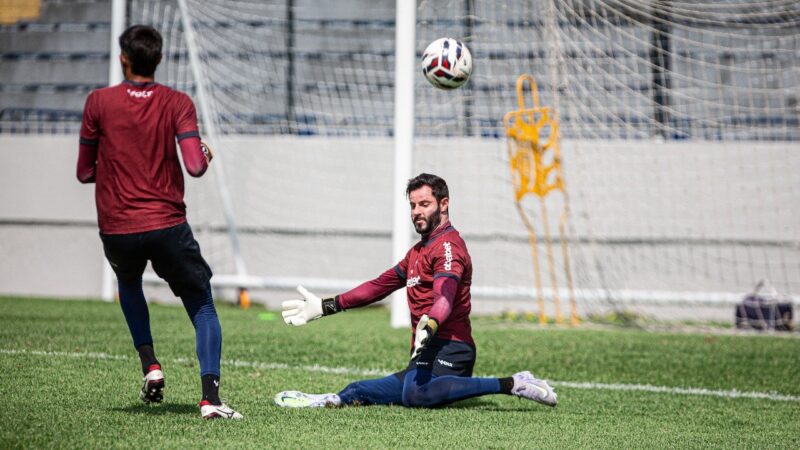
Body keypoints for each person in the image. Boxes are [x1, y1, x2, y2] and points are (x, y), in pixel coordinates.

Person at [274, 173, 557, 409]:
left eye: (424, 204)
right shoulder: (417, 252)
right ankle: (331, 400)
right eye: (412, 205)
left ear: (443, 204)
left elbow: (445, 295)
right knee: (358, 390)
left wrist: (431, 323)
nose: (416, 212)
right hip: (425, 351)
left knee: (415, 394)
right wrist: (327, 306)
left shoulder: (448, 247)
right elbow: (378, 287)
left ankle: (513, 383)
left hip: (451, 348)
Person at [77, 25, 242, 420]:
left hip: (117, 226)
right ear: (159, 59)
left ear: (123, 58)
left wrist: (121, 170)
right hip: (166, 224)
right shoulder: (177, 102)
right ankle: (211, 399)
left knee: (128, 282)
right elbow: (195, 166)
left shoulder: (98, 102)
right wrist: (204, 152)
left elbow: (84, 172)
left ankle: (150, 364)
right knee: (202, 303)